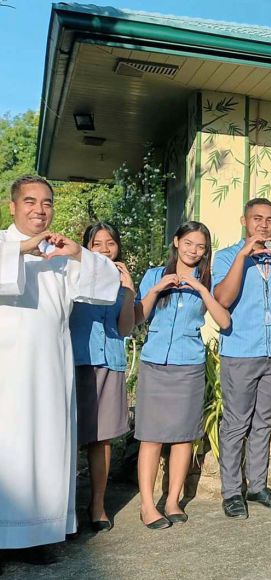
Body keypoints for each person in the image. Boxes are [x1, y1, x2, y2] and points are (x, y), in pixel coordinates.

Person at [0, 176, 120, 550]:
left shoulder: (58, 254)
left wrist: (80, 254)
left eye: (47, 203)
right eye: (30, 201)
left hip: (52, 367)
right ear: (13, 206)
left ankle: (39, 535)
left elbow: (104, 287)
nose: (40, 209)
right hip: (8, 368)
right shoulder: (4, 245)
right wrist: (21, 249)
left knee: (49, 445)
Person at [134, 221, 231, 529]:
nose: (193, 250)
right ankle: (147, 505)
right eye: (188, 243)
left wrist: (202, 289)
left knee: (183, 436)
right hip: (154, 364)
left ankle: (173, 499)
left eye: (200, 246)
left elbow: (224, 321)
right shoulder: (153, 275)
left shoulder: (208, 279)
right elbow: (138, 317)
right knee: (150, 436)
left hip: (188, 364)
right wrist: (156, 289)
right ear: (176, 242)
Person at [213, 198, 271, 519]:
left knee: (263, 422)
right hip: (240, 353)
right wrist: (243, 257)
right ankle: (232, 492)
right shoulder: (226, 257)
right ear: (244, 221)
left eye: (270, 220)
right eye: (257, 219)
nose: (264, 225)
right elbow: (222, 298)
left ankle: (257, 486)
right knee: (236, 425)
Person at [69, 222, 137, 531]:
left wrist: (128, 292)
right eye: (97, 244)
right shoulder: (73, 274)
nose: (105, 249)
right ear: (86, 248)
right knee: (69, 438)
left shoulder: (121, 283)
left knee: (102, 438)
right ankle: (64, 508)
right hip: (77, 362)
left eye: (111, 243)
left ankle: (97, 505)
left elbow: (125, 329)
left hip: (110, 362)